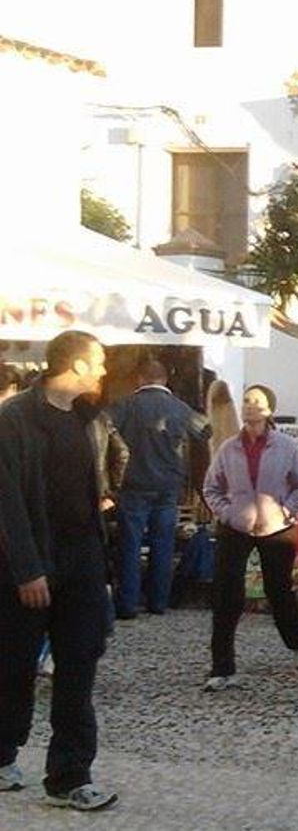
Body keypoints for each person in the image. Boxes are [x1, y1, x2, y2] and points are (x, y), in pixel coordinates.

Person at [0, 331, 118, 811]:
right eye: (99, 361)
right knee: (14, 666)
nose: (105, 370)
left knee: (79, 665)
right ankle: (3, 752)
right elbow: (6, 501)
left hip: (83, 559)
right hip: (31, 561)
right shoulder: (14, 419)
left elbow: (104, 473)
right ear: (76, 364)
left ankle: (70, 775)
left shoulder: (92, 418)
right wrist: (27, 569)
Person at [201, 384, 298, 691]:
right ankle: (222, 666)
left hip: (276, 527)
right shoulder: (229, 448)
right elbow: (211, 487)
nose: (250, 406)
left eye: (257, 401)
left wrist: (287, 510)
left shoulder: (284, 446)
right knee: (226, 594)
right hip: (236, 526)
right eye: (246, 400)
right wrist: (226, 513)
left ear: (269, 409)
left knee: (278, 590)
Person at [107, 358, 211, 618]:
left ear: (140, 379)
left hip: (133, 484)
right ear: (165, 380)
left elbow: (102, 428)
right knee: (163, 544)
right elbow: (205, 431)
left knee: (130, 545)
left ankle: (128, 604)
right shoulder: (181, 408)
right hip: (169, 486)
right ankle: (158, 602)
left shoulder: (125, 406)